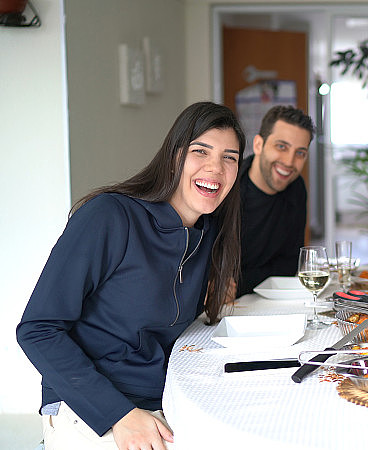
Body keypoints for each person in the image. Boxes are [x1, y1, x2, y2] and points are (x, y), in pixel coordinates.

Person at [17, 102, 246, 450]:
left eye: (230, 157)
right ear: (174, 156)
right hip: (93, 405)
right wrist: (119, 414)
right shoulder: (110, 216)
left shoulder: (206, 232)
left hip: (164, 400)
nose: (216, 167)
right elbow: (38, 329)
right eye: (201, 151)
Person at [235, 105, 315, 298]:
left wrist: (239, 282)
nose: (289, 161)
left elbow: (289, 265)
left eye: (300, 153)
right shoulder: (229, 188)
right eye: (281, 147)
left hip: (264, 298)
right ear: (258, 145)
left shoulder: (296, 189)